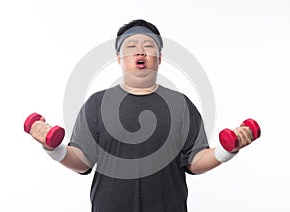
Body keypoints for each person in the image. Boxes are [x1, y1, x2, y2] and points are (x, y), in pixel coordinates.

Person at [30, 19, 255, 212]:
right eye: (131, 46)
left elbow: (195, 161)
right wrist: (54, 148)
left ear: (159, 57)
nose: (140, 51)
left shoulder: (181, 105)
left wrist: (227, 150)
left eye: (149, 46)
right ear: (119, 57)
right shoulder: (97, 104)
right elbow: (82, 161)